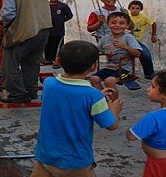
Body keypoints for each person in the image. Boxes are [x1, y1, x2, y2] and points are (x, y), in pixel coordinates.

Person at [32, 40, 123, 177]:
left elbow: (69, 98)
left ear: (58, 61)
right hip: (76, 162)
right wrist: (114, 109)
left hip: (46, 157)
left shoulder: (49, 84)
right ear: (93, 67)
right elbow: (111, 125)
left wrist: (95, 96)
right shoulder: (93, 95)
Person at [0, 0, 52, 103]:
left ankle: (17, 93)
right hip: (43, 28)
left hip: (24, 31)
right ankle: (31, 91)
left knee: (9, 63)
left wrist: (4, 26)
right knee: (32, 62)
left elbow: (8, 14)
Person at [89, 11, 142, 100]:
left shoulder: (128, 37)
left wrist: (125, 46)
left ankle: (114, 102)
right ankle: (103, 100)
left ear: (127, 25)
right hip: (110, 68)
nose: (117, 25)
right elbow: (95, 51)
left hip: (125, 70)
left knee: (109, 81)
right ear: (108, 24)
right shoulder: (105, 39)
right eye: (113, 22)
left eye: (121, 23)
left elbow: (138, 53)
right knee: (93, 78)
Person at [40, 0, 73, 69]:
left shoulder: (63, 6)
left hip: (58, 31)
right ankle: (48, 60)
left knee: (58, 47)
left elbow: (69, 16)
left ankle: (57, 61)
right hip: (47, 30)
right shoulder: (44, 5)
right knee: (47, 46)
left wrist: (61, 21)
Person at [128, 0, 156, 79]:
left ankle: (149, 73)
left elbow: (153, 24)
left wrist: (153, 35)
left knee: (145, 53)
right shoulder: (127, 16)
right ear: (129, 9)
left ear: (141, 9)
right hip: (125, 39)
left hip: (136, 41)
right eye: (133, 8)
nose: (135, 10)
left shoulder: (143, 18)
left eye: (137, 8)